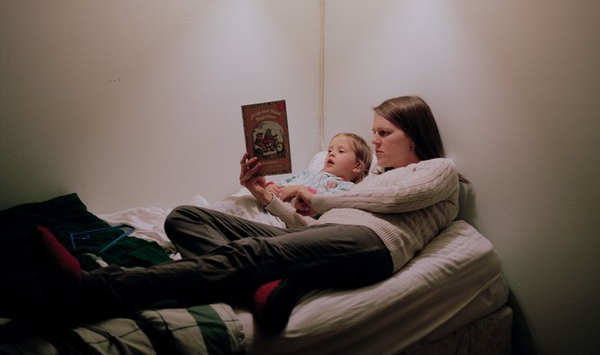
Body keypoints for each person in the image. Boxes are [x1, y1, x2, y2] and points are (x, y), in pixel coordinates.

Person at [11, 95, 463, 335]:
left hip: (375, 246)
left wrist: (319, 198)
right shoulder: (366, 186)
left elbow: (387, 206)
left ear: (415, 135)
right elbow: (307, 230)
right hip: (338, 233)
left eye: (384, 133)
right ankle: (269, 286)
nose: (377, 142)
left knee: (251, 253)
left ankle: (92, 290)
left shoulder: (440, 172)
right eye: (373, 134)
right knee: (185, 217)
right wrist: (262, 194)